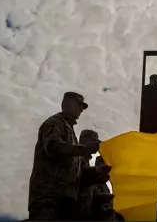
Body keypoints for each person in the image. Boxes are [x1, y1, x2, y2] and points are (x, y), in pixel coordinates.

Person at [28, 92, 102, 221]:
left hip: (66, 200)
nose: (81, 110)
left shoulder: (70, 132)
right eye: (79, 105)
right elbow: (53, 147)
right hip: (48, 196)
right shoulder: (55, 123)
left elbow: (77, 170)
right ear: (67, 103)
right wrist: (83, 149)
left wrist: (96, 172)